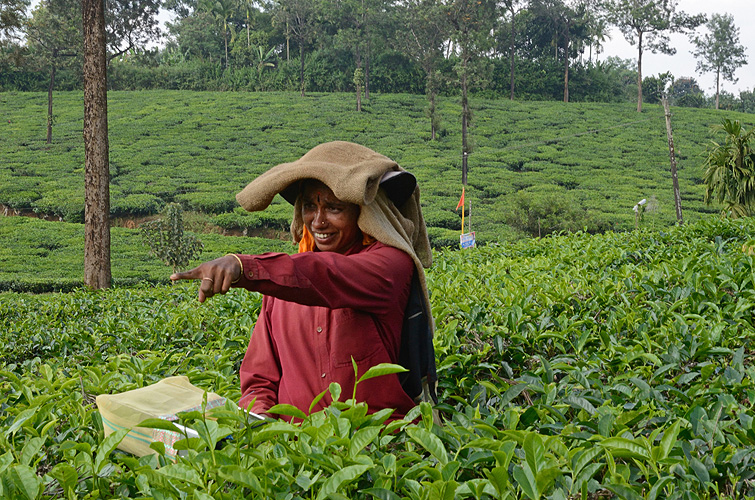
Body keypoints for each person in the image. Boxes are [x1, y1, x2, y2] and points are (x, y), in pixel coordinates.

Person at [171, 141, 436, 421]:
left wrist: (243, 266)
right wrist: (261, 423)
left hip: (378, 449)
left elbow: (328, 275)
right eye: (310, 206)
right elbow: (260, 379)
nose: (318, 221)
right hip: (297, 455)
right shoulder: (280, 285)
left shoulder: (390, 265)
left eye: (334, 208)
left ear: (364, 213)